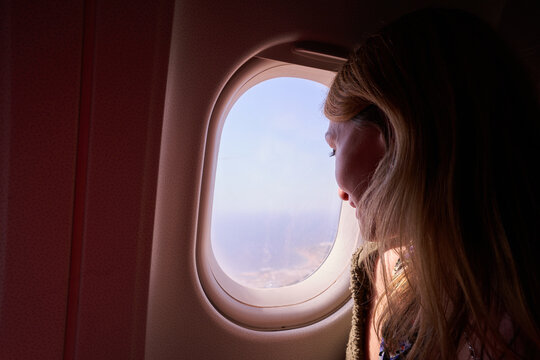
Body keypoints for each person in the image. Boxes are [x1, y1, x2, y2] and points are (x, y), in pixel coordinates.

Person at [323, 8, 540, 359]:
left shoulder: (515, 324)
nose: (341, 191)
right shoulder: (386, 265)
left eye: (333, 149)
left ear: (398, 134)